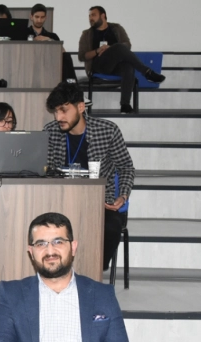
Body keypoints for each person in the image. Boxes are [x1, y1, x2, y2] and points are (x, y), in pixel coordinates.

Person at [0, 212, 133, 342]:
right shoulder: (12, 293)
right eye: (41, 244)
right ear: (31, 252)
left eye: (58, 242)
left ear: (73, 247)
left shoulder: (102, 294)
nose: (50, 251)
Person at [44, 82, 134, 271]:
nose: (59, 117)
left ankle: (94, 270)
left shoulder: (107, 130)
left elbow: (126, 167)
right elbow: (44, 171)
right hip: (61, 202)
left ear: (80, 107)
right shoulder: (50, 132)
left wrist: (122, 195)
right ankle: (57, 272)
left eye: (64, 110)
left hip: (101, 203)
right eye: (56, 111)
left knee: (110, 228)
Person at [78, 6, 165, 113]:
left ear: (103, 16)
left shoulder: (116, 28)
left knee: (128, 66)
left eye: (93, 15)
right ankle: (147, 72)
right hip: (98, 65)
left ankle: (125, 104)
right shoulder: (86, 34)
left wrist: (111, 48)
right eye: (89, 16)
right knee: (119, 47)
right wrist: (98, 50)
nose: (91, 18)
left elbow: (127, 45)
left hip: (115, 65)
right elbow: (82, 56)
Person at [27, 4, 78, 83]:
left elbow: (63, 52)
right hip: (28, 64)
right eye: (37, 17)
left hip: (48, 65)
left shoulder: (52, 36)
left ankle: (70, 84)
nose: (39, 20)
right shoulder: (24, 33)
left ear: (46, 18)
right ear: (31, 17)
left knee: (66, 56)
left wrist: (48, 40)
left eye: (42, 17)